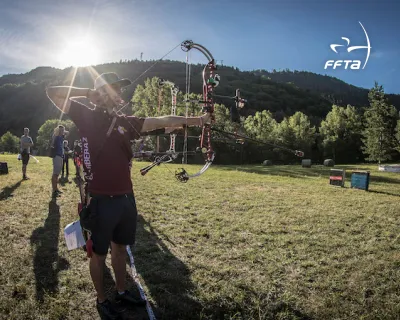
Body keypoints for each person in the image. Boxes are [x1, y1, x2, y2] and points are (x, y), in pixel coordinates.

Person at [46, 72, 210, 319]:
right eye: (113, 89)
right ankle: (102, 301)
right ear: (101, 93)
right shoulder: (85, 115)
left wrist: (199, 120)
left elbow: (160, 120)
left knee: (120, 248)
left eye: (119, 90)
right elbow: (52, 91)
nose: (119, 94)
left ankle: (122, 291)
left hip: (125, 198)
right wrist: (88, 92)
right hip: (100, 198)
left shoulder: (126, 122)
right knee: (99, 253)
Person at [51, 125, 69, 197]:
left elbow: (68, 133)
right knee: (55, 174)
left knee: (57, 174)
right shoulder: (56, 137)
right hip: (57, 156)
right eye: (61, 130)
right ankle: (54, 190)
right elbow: (53, 136)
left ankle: (56, 189)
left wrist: (63, 131)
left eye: (63, 130)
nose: (62, 131)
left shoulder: (61, 137)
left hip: (60, 156)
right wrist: (58, 130)